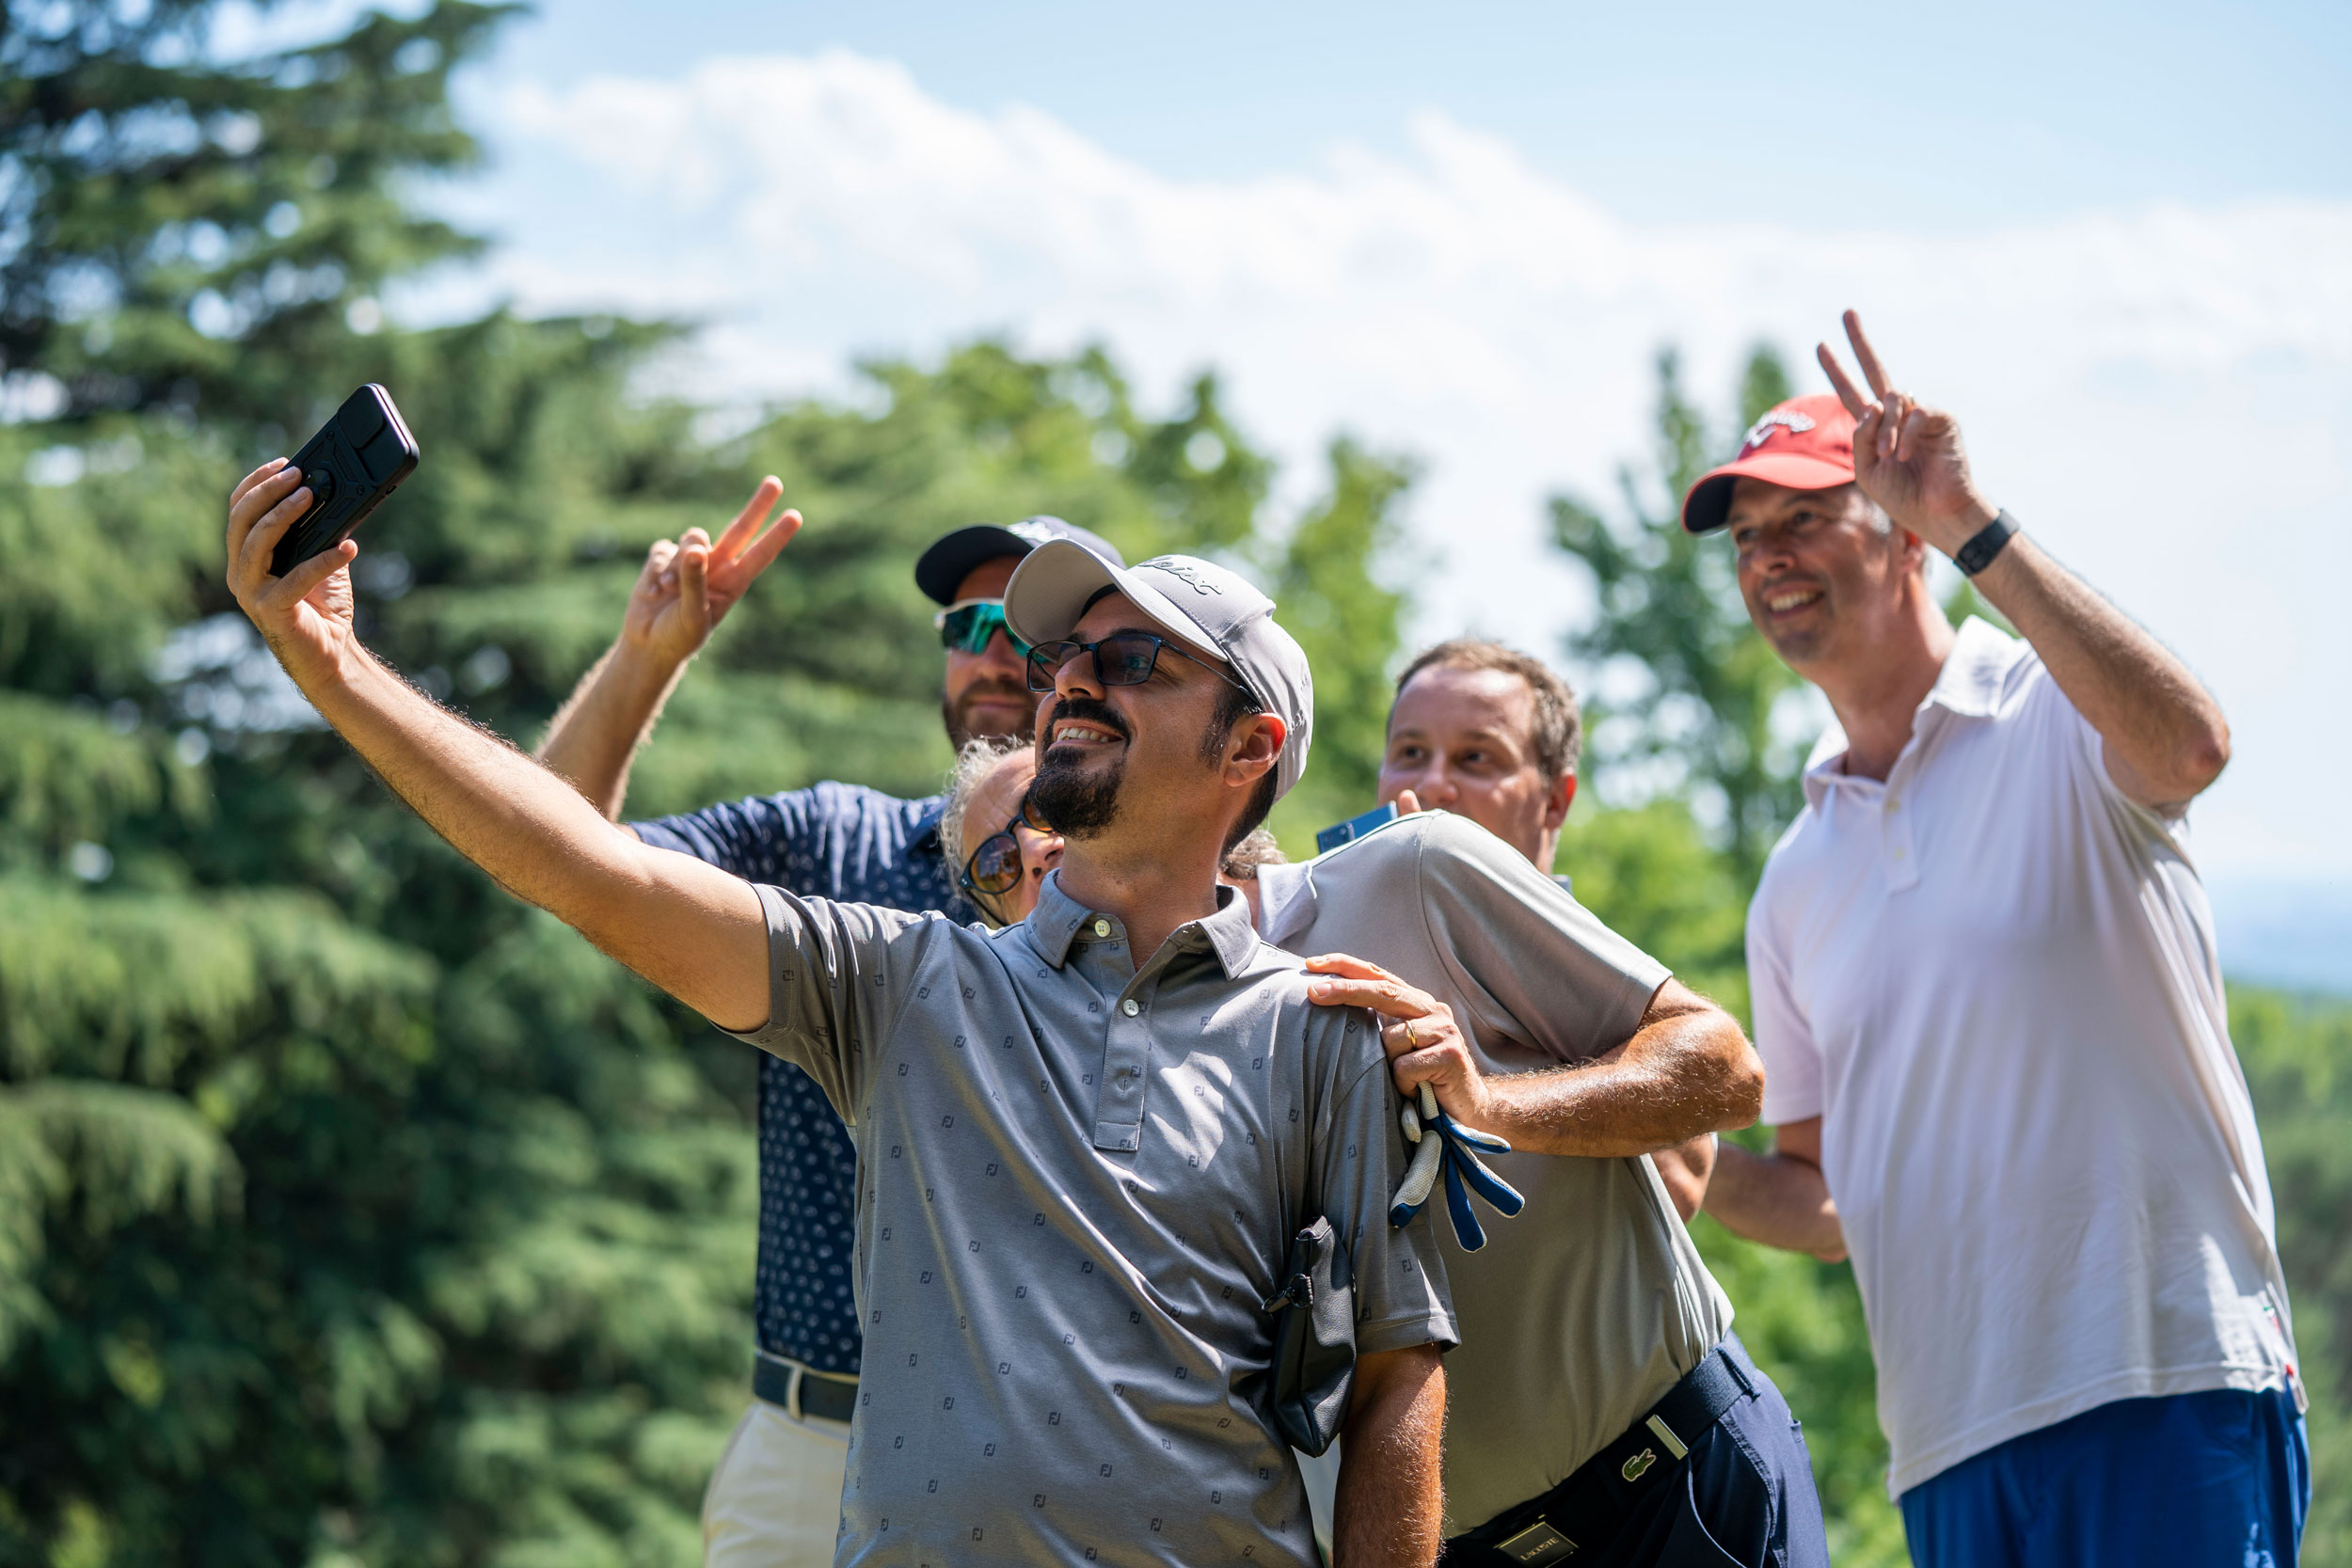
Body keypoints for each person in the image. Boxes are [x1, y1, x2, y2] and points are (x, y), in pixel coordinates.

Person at [225, 470, 1459, 1566]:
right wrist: (329, 660)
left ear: (1252, 744)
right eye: (1071, 653)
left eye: (1137, 659)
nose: (1071, 674)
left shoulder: (1330, 1031)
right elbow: (582, 867)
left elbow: (1397, 1378)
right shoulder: (899, 977)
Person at [941, 641, 1829, 1568]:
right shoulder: (1089, 1126)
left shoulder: (1408, 871)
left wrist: (1490, 1103)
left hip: (1678, 1493)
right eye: (998, 860)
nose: (1038, 859)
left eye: (1055, 811)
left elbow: (1724, 1069)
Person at [1696, 311, 2308, 1567]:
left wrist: (1977, 517)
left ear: (1905, 536)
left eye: (1805, 517)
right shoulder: (1796, 878)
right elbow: (1826, 1200)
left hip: (2165, 1381)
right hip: (1953, 1444)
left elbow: (2193, 743)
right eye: (1749, 539)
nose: (1771, 559)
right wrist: (1648, 1150)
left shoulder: (2055, 715)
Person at [532, 485, 1124, 1563]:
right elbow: (556, 857)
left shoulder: (1158, 884)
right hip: (811, 1442)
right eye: (963, 628)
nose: (989, 654)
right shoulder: (826, 843)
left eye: (1022, 631)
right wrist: (646, 657)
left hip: (1067, 1451)